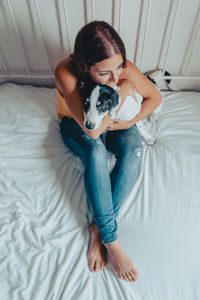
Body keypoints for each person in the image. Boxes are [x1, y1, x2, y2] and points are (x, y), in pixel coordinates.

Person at [54, 20, 162, 282]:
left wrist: (129, 122)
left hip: (113, 121)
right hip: (78, 123)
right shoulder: (65, 72)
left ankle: (98, 226)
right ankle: (110, 240)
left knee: (134, 146)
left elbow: (155, 98)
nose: (115, 77)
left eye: (119, 67)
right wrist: (122, 94)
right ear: (84, 67)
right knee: (96, 153)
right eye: (104, 74)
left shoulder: (119, 68)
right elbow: (92, 131)